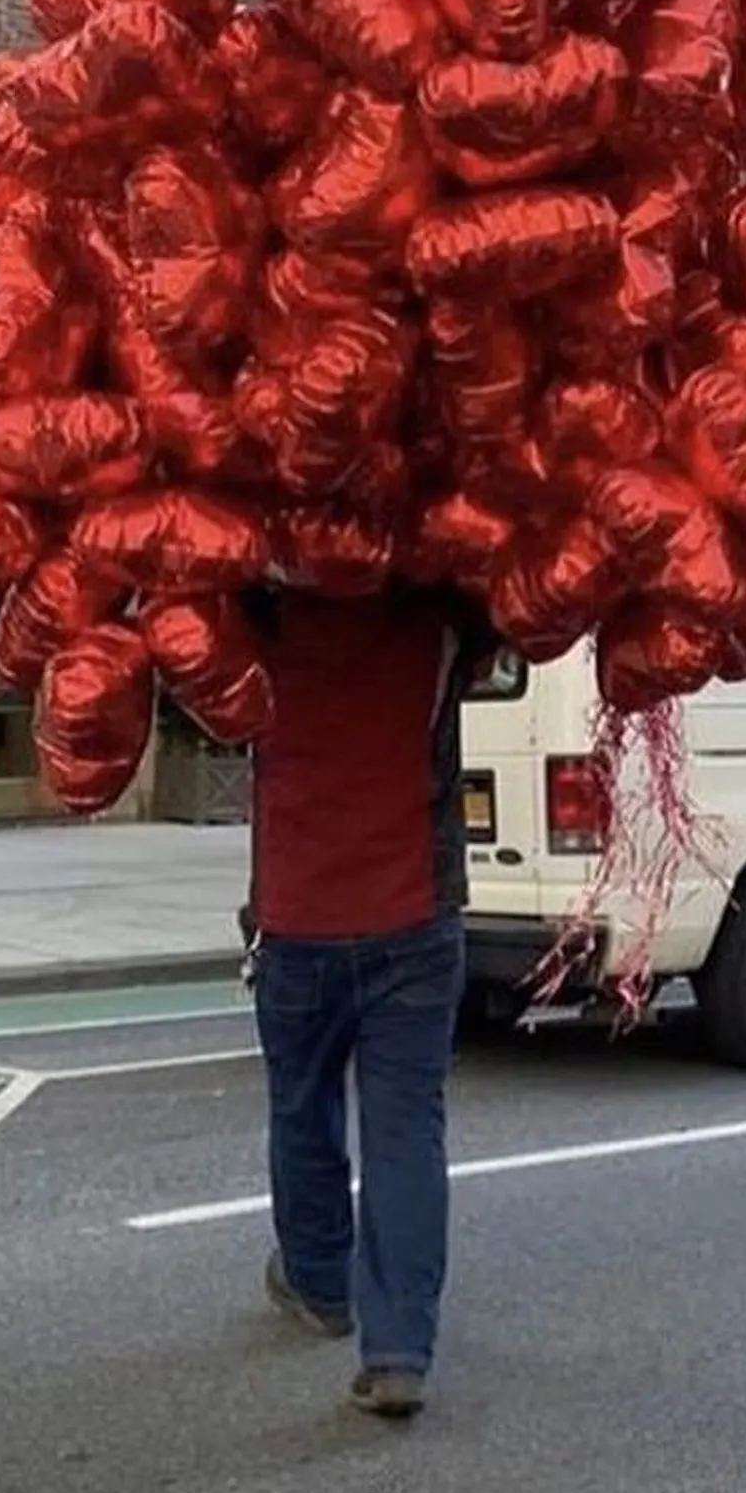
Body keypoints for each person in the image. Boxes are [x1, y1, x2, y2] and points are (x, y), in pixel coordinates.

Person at [241, 580, 498, 1420]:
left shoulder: (259, 612)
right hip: (413, 917)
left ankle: (319, 1282)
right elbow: (513, 623)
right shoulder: (443, 613)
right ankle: (397, 1351)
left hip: (297, 913)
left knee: (302, 1106)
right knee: (403, 1133)